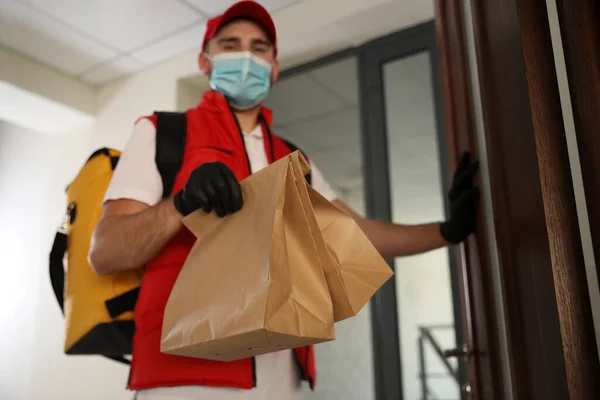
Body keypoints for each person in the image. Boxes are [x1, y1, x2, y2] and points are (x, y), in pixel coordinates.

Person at [88, 1, 479, 399]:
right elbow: (105, 252)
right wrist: (181, 202)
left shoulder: (295, 160)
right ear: (204, 62)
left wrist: (446, 231)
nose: (246, 57)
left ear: (274, 67)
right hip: (184, 379)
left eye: (259, 48)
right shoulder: (162, 135)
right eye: (230, 45)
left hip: (282, 378)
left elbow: (355, 235)